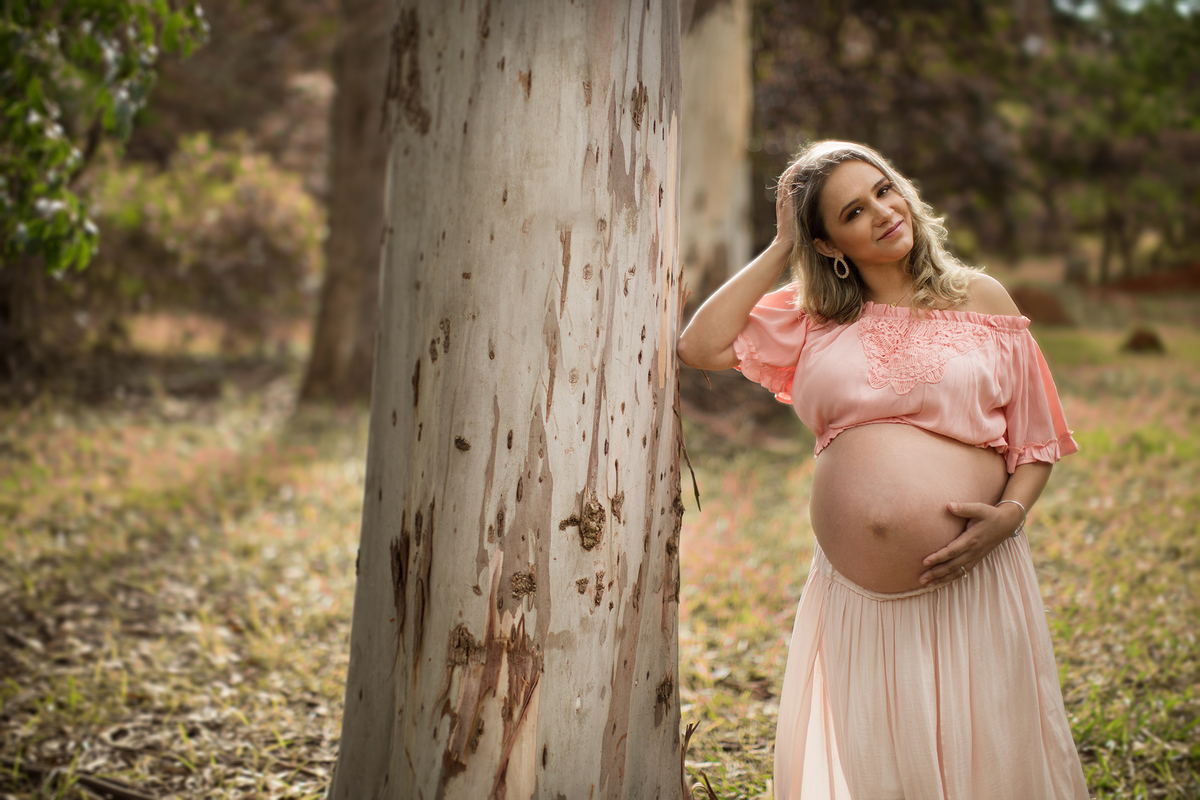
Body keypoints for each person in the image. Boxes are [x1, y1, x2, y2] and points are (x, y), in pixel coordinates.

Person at [676, 141, 1090, 800]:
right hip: (859, 601)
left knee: (985, 748)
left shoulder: (982, 296)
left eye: (884, 190)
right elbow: (699, 346)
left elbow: (1036, 440)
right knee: (882, 766)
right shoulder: (811, 316)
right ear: (829, 242)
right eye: (853, 211)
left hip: (973, 572)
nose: (882, 212)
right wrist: (783, 246)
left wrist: (1008, 518)